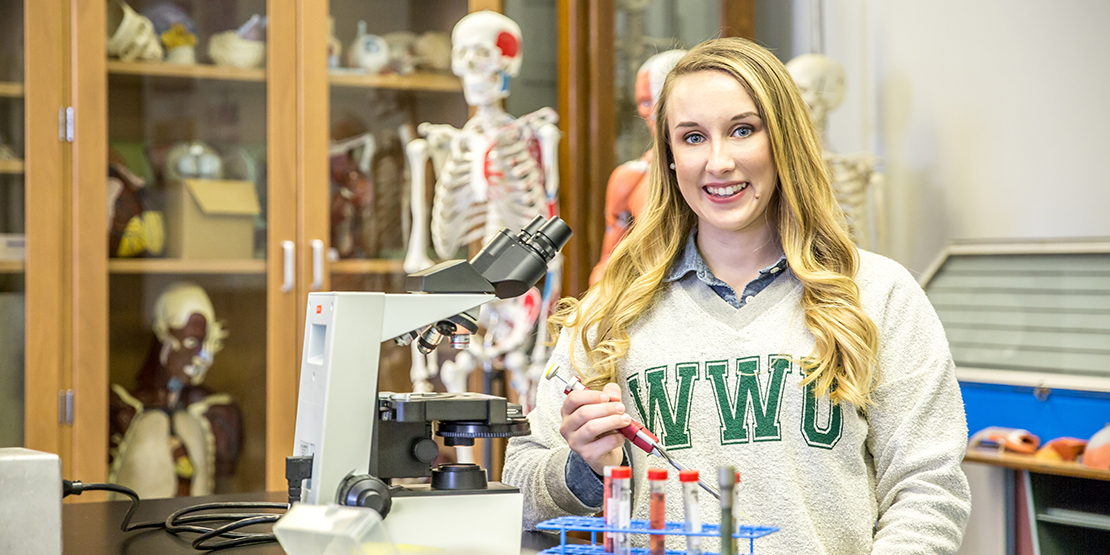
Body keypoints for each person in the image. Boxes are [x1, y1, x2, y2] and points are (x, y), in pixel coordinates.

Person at [502, 37, 970, 554]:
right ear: (670, 156)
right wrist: (582, 468)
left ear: (785, 142)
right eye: (693, 137)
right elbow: (518, 487)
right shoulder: (606, 313)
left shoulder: (878, 296)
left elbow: (928, 491)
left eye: (743, 130)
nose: (718, 161)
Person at [590, 49, 686, 285]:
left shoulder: (718, 174)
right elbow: (607, 268)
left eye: (651, 100)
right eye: (644, 102)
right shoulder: (631, 178)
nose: (646, 111)